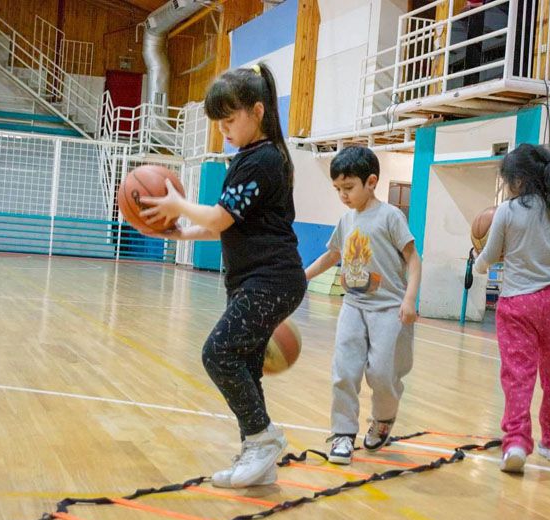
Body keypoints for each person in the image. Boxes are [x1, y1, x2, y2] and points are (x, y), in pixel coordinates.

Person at [139, 63, 306, 488]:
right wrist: (181, 232)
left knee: (218, 353)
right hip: (255, 280)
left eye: (230, 121)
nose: (224, 131)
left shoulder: (263, 159)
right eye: (219, 123)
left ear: (258, 111)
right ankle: (259, 457)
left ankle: (263, 439)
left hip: (272, 279)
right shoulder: (250, 158)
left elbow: (218, 215)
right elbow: (220, 226)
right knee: (245, 366)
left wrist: (179, 205)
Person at [475, 144, 550, 473]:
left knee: (517, 377)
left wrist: (478, 265)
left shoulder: (508, 211)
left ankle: (515, 443)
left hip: (517, 302)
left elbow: (491, 254)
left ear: (519, 180)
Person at [305, 146, 421, 465]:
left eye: (348, 188)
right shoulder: (346, 220)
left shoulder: (390, 217)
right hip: (353, 306)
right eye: (338, 189)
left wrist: (410, 298)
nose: (343, 195)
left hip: (390, 310)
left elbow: (413, 259)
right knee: (344, 370)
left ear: (371, 182)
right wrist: (303, 276)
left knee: (382, 373)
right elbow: (333, 255)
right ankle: (343, 434)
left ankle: (383, 417)